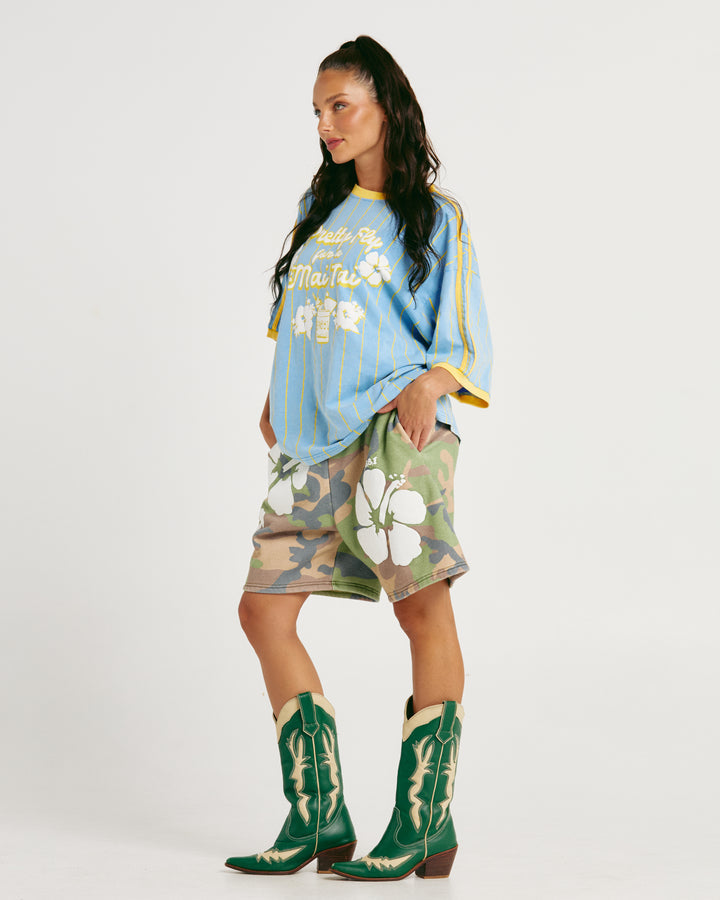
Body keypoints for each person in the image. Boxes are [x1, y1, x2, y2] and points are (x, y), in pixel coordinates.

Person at [224, 35, 492, 882]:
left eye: (340, 105)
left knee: (422, 609)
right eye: (317, 111)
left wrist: (428, 387)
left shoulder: (436, 216)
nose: (326, 124)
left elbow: (463, 335)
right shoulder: (321, 208)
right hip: (309, 440)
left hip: (389, 435)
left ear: (386, 107)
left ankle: (424, 822)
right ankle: (318, 814)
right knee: (262, 611)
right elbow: (302, 321)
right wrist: (277, 395)